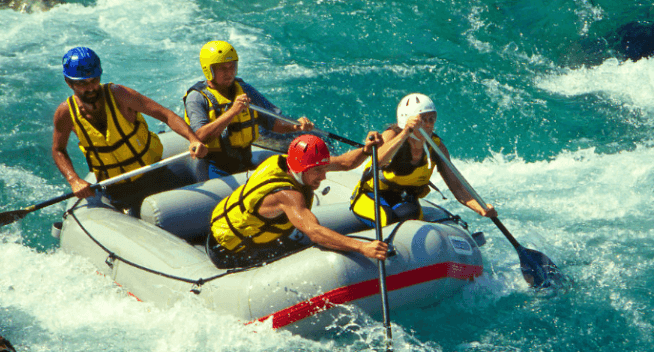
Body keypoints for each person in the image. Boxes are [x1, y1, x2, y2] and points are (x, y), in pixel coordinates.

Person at [52, 46, 208, 214]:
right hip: (117, 188)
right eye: (82, 83)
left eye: (94, 80)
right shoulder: (65, 113)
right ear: (69, 83)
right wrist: (73, 179)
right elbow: (58, 149)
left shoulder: (120, 95)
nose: (90, 88)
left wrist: (193, 139)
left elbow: (165, 115)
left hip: (154, 174)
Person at [207, 133, 389, 269]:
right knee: (308, 255)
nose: (324, 176)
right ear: (301, 169)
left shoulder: (289, 162)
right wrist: (363, 247)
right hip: (230, 250)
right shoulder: (288, 196)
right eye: (318, 171)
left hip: (238, 229)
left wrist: (366, 150)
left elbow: (344, 163)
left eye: (324, 169)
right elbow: (315, 233)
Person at [350, 93, 496, 227]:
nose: (428, 124)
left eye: (431, 119)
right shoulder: (392, 135)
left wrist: (480, 208)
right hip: (371, 195)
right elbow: (378, 161)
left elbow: (457, 186)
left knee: (411, 217)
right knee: (387, 219)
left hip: (402, 198)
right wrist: (406, 132)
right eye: (422, 120)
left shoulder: (437, 147)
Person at [183, 40, 314, 179]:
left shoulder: (245, 89)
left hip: (245, 161)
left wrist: (296, 126)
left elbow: (273, 123)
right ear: (209, 70)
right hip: (214, 167)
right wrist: (233, 112)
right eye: (222, 68)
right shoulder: (197, 97)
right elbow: (199, 137)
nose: (229, 73)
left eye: (232, 66)